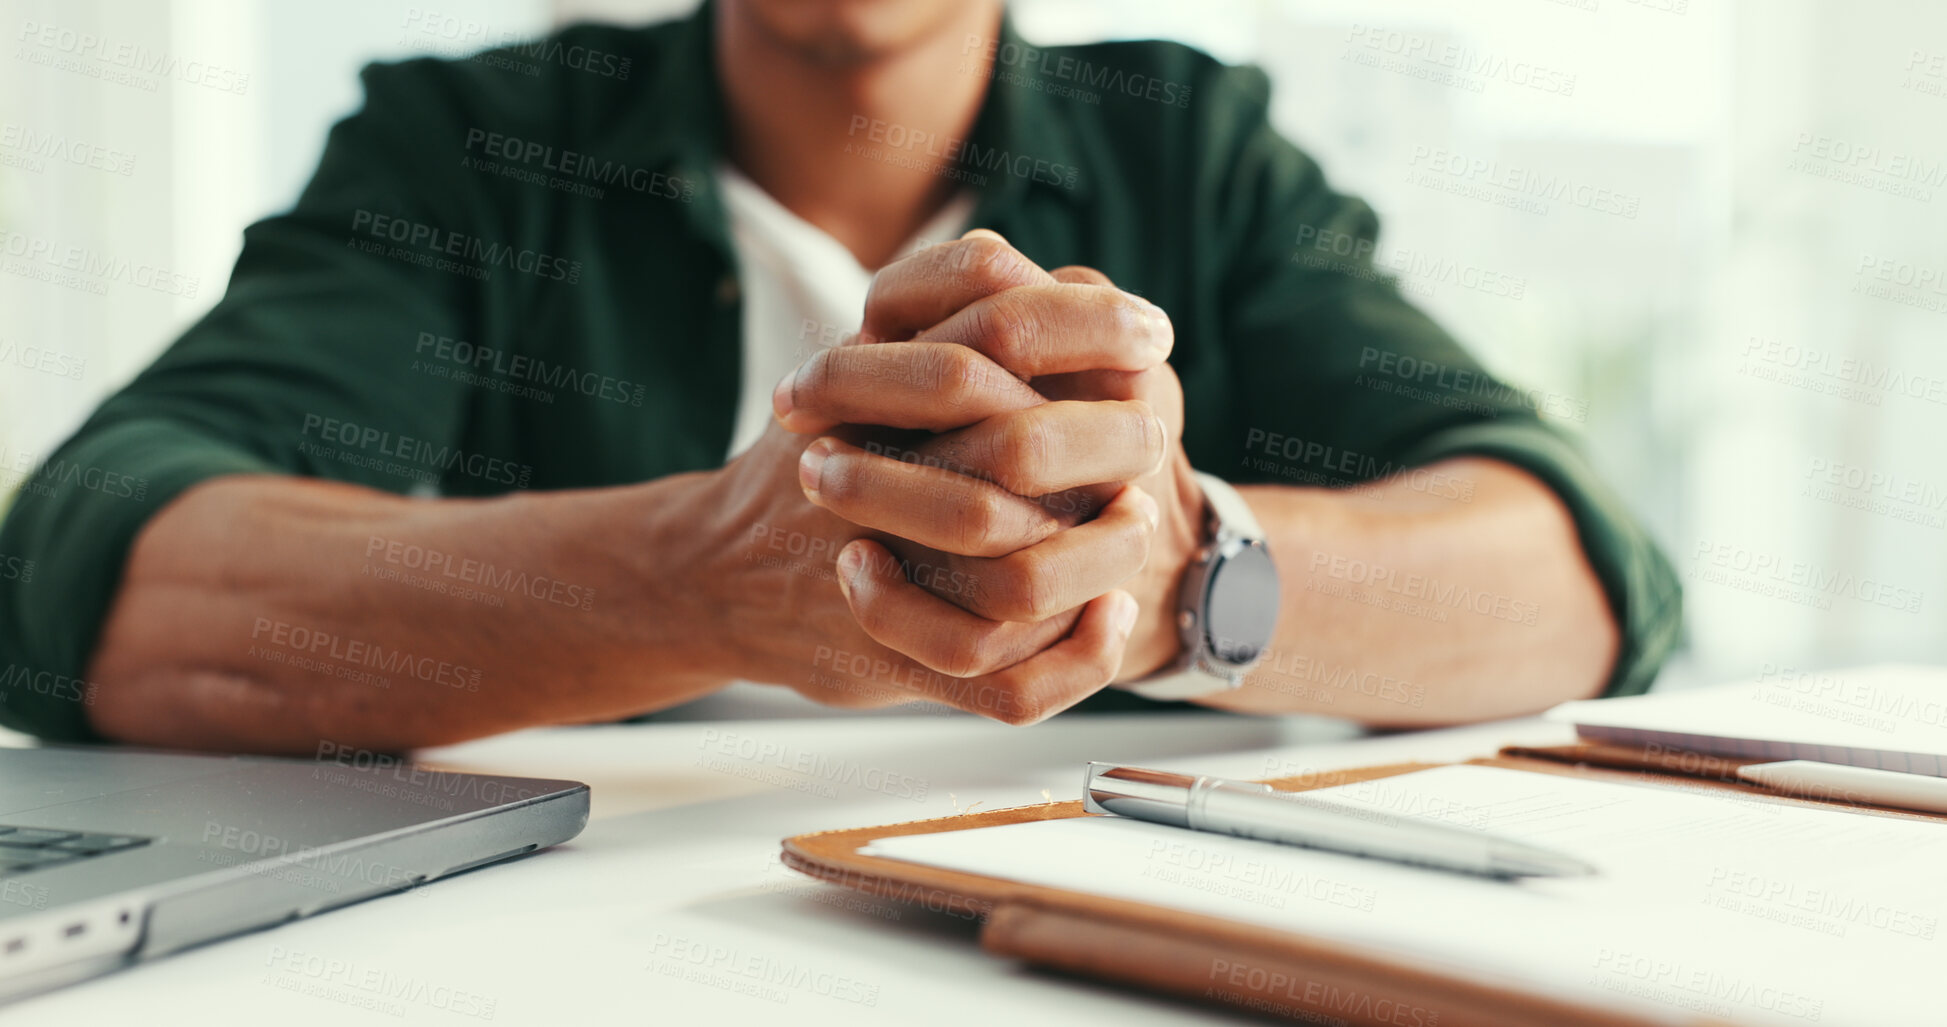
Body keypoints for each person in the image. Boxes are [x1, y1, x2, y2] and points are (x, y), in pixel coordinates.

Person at [0, 0, 1679, 754]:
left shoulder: (1192, 148)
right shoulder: (471, 144)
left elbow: (1579, 577)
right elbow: (82, 568)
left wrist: (1177, 580)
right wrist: (702, 577)